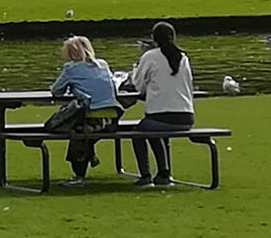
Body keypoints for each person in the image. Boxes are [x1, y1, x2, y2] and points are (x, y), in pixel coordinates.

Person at [125, 21, 196, 187]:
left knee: (139, 133)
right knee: (154, 130)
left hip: (162, 115)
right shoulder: (183, 57)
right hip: (186, 116)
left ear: (153, 38)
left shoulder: (150, 56)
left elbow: (138, 85)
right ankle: (164, 173)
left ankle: (146, 175)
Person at [50, 35, 122, 186]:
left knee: (73, 131)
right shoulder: (103, 64)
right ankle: (90, 156)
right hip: (111, 119)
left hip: (90, 117)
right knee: (83, 133)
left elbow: (56, 91)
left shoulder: (71, 68)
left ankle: (79, 175)